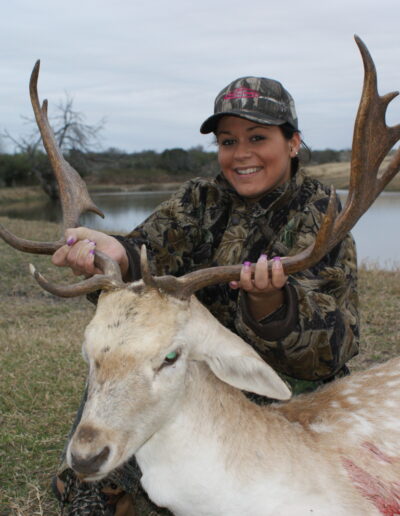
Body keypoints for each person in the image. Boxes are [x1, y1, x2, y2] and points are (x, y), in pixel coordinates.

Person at [52, 76, 359, 515]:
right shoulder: (200, 199)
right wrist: (117, 258)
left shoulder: (323, 216)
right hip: (189, 375)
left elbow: (331, 351)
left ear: (293, 143)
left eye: (258, 137)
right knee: (98, 464)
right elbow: (146, 257)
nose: (241, 153)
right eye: (228, 141)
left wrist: (271, 307)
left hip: (283, 386)